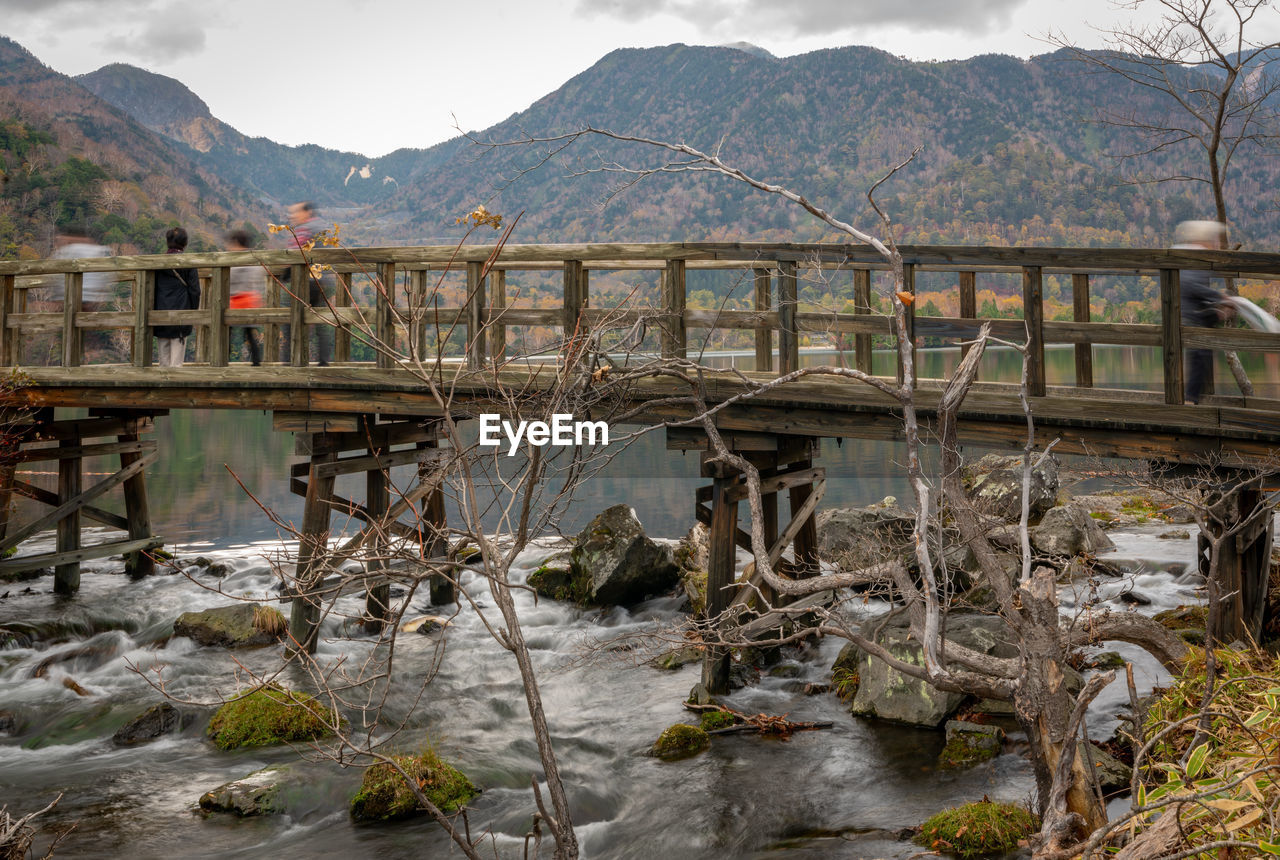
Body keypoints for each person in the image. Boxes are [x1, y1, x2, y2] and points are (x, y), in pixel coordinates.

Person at [1174, 219, 1235, 404]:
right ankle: (1191, 400)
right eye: (1214, 239)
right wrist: (1220, 298)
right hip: (1187, 315)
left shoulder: (1195, 256)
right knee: (1200, 354)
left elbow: (1198, 293)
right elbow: (1191, 286)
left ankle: (1193, 399)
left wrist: (1217, 308)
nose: (1216, 243)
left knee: (1203, 355)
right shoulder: (1192, 256)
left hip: (1195, 313)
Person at [280, 201, 333, 366]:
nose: (292, 216)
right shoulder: (322, 227)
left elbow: (295, 255)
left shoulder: (304, 229)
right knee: (320, 322)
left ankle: (292, 361)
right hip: (322, 280)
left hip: (307, 281)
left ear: (307, 212)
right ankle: (324, 361)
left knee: (292, 320)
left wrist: (285, 274)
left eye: (295, 212)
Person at [154, 227, 200, 367]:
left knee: (163, 361)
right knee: (176, 363)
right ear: (185, 243)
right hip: (181, 315)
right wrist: (192, 312)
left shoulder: (157, 262)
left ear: (168, 242)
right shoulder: (188, 263)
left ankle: (162, 385)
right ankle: (174, 385)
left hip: (160, 314)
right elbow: (195, 291)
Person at [226, 230, 264, 366]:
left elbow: (229, 279)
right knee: (248, 333)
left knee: (226, 333)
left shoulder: (235, 260)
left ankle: (222, 361)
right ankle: (256, 362)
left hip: (237, 301)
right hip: (251, 300)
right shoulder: (253, 258)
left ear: (236, 243)